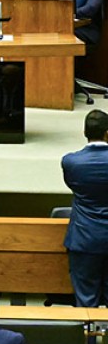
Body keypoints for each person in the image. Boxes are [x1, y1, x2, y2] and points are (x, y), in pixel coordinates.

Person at [62, 109, 108, 307]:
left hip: (84, 238)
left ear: (85, 133)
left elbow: (72, 185)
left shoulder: (71, 162)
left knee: (86, 302)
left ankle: (87, 329)